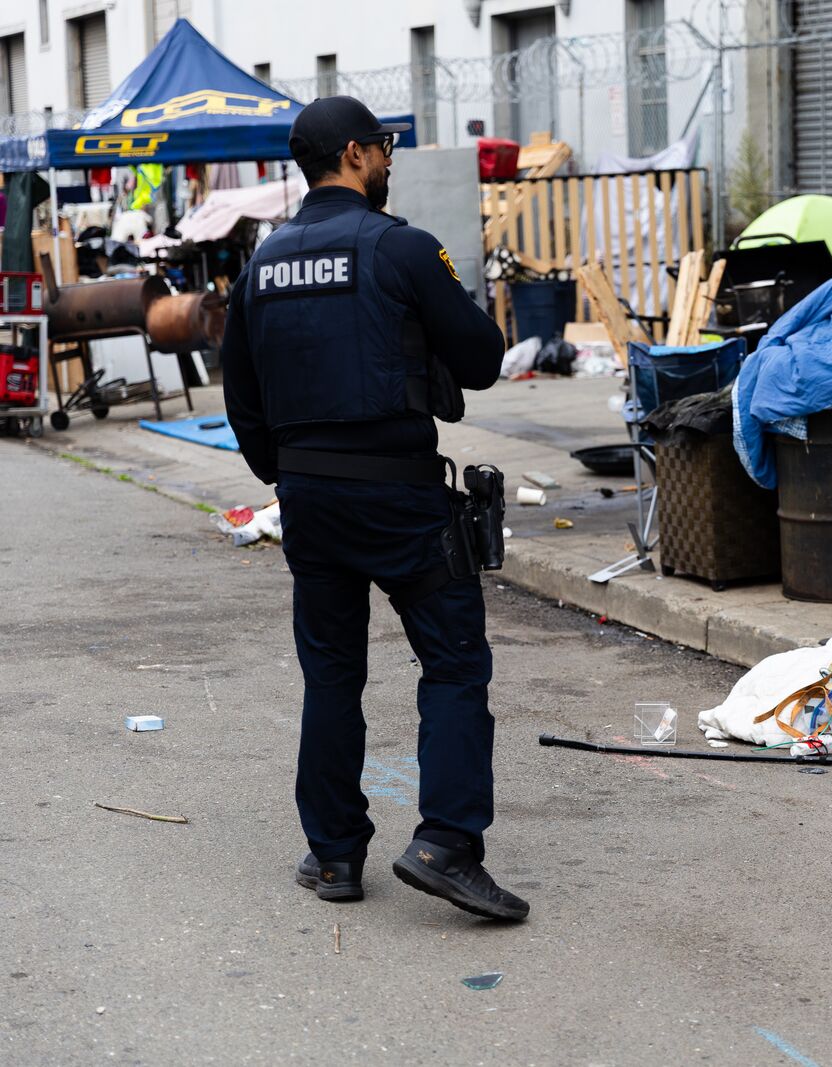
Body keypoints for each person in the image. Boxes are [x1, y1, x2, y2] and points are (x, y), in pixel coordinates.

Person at [222, 96, 527, 920]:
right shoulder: (402, 247)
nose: (389, 160)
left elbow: (240, 397)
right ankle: (446, 843)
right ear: (355, 154)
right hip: (400, 497)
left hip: (309, 500)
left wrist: (287, 473)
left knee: (331, 673)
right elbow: (483, 359)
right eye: (383, 147)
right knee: (454, 663)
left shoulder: (261, 267)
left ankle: (334, 854)